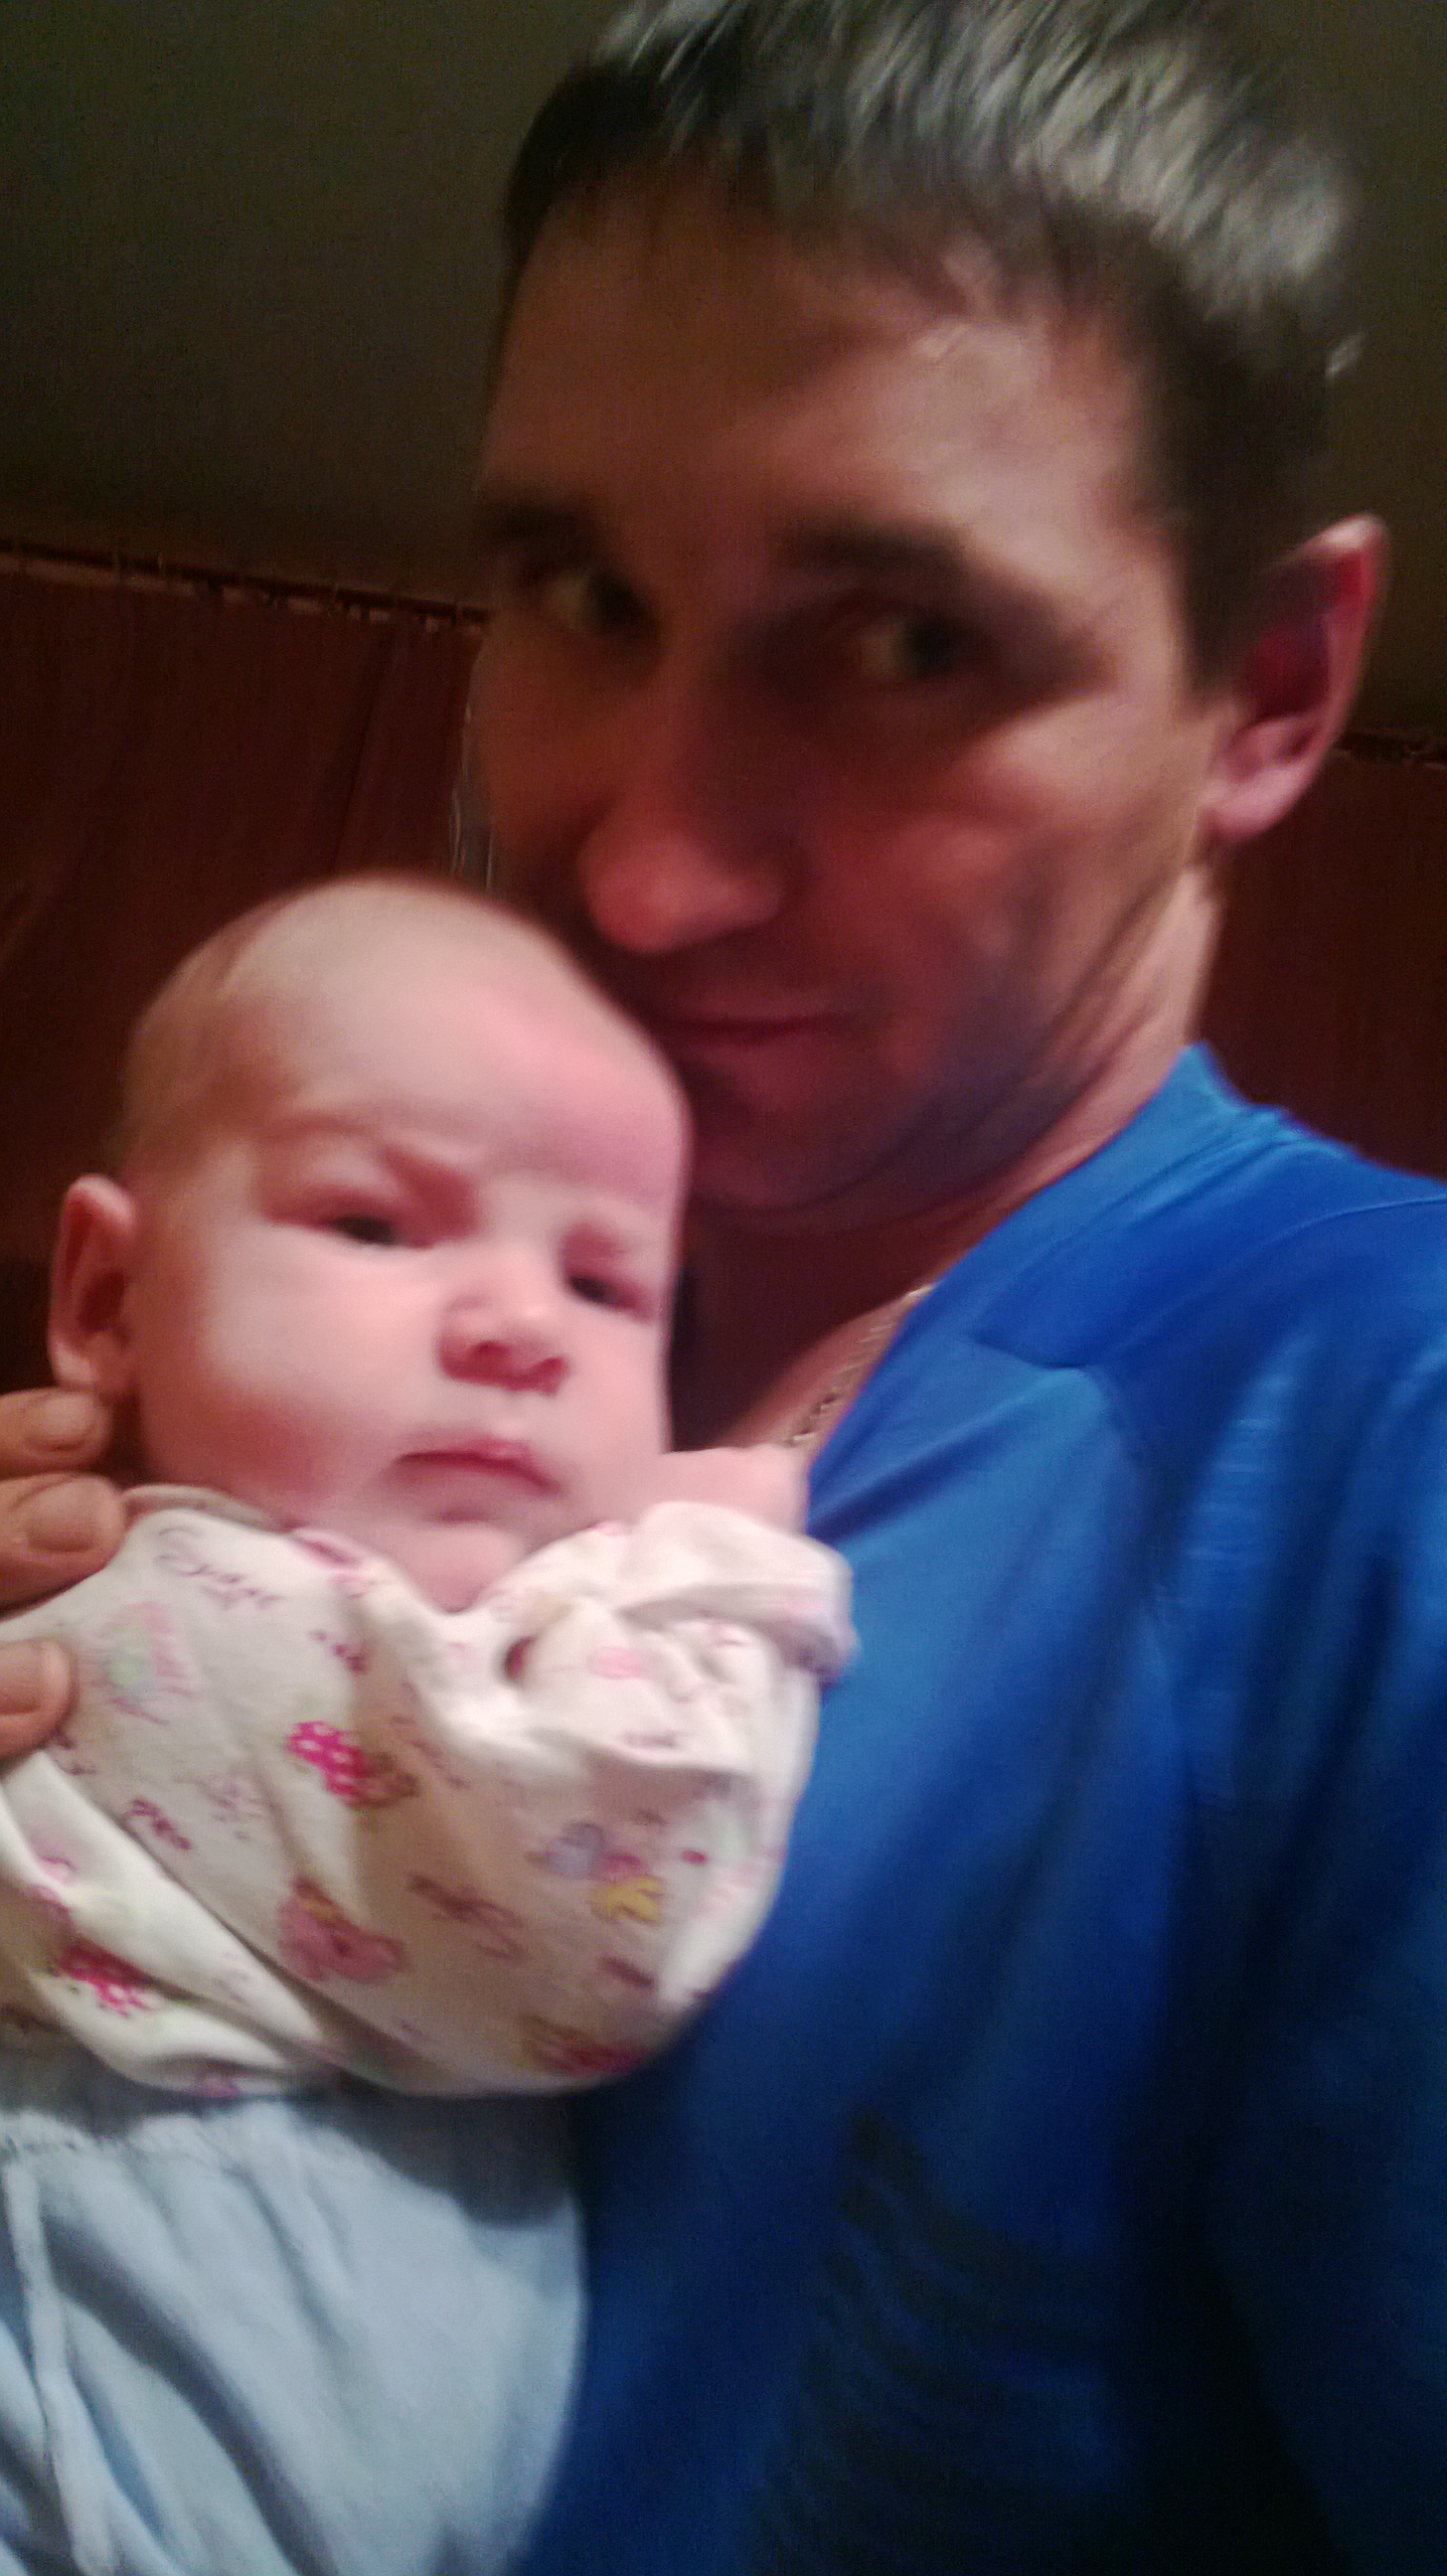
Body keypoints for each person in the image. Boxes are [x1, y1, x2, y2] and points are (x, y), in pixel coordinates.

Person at [0, 0, 1440, 2565]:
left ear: (1266, 690)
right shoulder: (354, 1351)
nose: (645, 875)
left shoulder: (1385, 1456)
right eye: (580, 593)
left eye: (900, 646)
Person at [0, 873, 848, 2572]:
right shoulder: (173, 1624)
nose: (518, 1326)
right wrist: (717, 1564)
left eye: (606, 1283)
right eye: (378, 1227)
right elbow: (603, 1921)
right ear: (106, 1300)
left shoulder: (398, 1648)